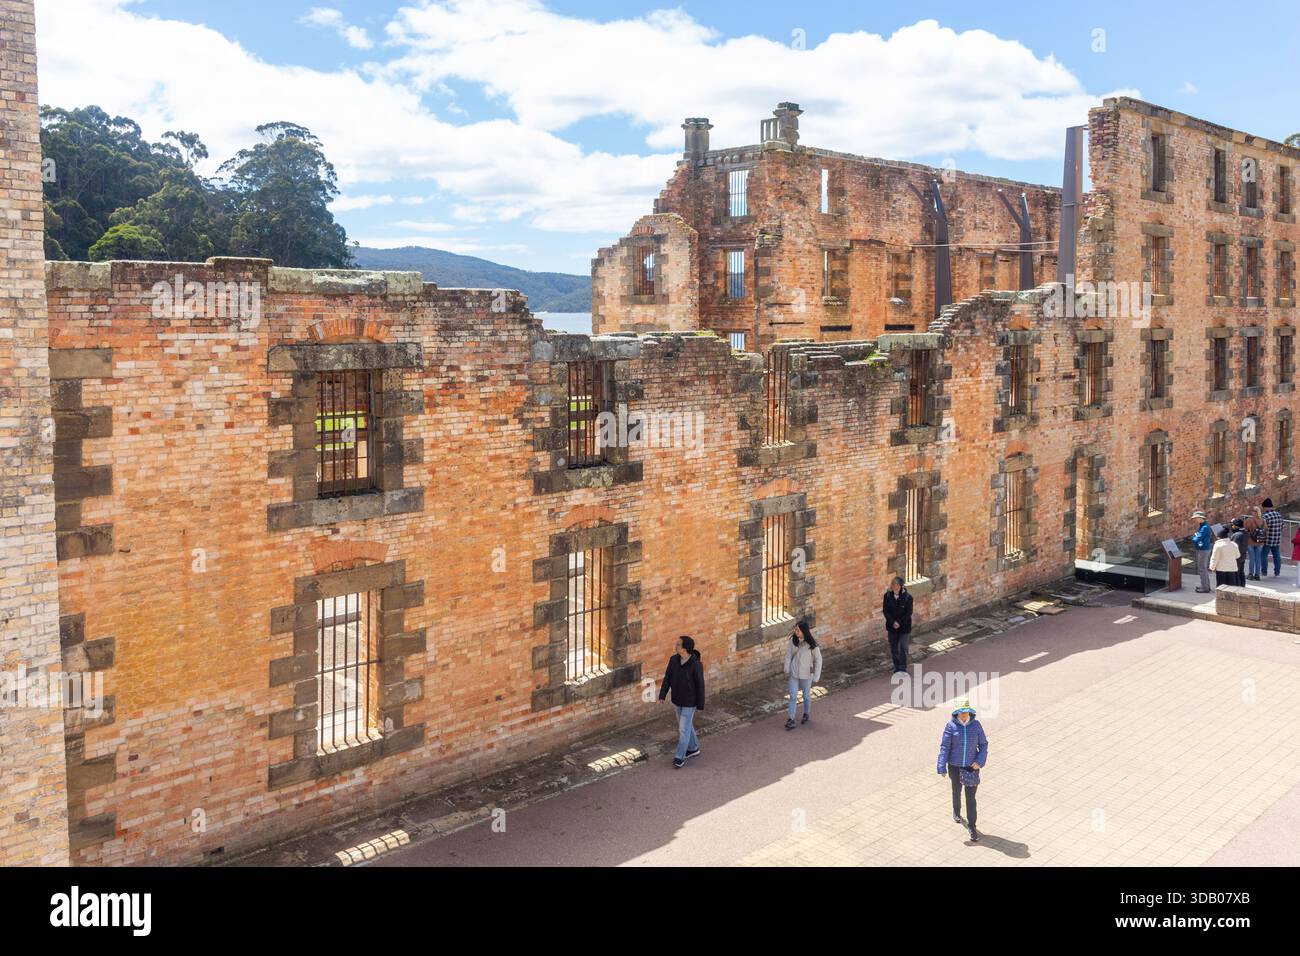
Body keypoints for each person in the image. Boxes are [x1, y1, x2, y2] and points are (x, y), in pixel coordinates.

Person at [936, 699, 988, 842]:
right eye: (961, 712)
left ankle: (972, 827)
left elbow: (983, 744)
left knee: (971, 798)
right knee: (956, 790)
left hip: (971, 767)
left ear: (969, 711)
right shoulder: (950, 726)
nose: (964, 715)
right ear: (956, 713)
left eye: (965, 711)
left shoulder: (976, 726)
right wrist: (941, 766)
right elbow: (945, 747)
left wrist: (980, 761)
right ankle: (956, 811)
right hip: (955, 766)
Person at [658, 635, 705, 768]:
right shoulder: (673, 660)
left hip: (690, 702)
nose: (676, 646)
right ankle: (694, 748)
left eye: (678, 644)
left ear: (685, 648)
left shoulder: (696, 664)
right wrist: (662, 695)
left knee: (683, 729)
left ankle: (680, 757)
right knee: (686, 726)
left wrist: (700, 704)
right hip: (677, 699)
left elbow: (700, 685)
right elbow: (667, 677)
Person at [783, 619, 823, 730]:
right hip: (794, 673)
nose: (796, 632)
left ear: (804, 631)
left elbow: (818, 659)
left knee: (806, 695)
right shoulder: (792, 641)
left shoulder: (812, 645)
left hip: (806, 675)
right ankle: (791, 719)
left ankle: (806, 714)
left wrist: (816, 675)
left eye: (798, 630)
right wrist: (787, 670)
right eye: (795, 629)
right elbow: (788, 656)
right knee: (793, 696)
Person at [882, 576, 913, 674]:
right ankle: (897, 667)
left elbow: (908, 613)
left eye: (893, 583)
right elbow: (885, 611)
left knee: (903, 647)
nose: (891, 585)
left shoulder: (908, 597)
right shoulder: (887, 596)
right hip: (891, 627)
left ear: (899, 586)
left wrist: (899, 622)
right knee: (894, 647)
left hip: (904, 627)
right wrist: (893, 622)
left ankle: (903, 667)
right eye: (891, 583)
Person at [1191, 511, 1214, 593]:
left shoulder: (1204, 527)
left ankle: (1205, 587)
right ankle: (1205, 585)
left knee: (1202, 569)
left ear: (1201, 518)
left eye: (1196, 518)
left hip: (1203, 550)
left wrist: (1193, 538)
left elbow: (1196, 539)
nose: (1195, 520)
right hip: (1203, 548)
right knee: (1203, 568)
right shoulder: (1203, 526)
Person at [1263, 499, 1285, 577]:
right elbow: (1283, 526)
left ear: (1265, 507)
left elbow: (1264, 528)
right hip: (1277, 538)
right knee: (1277, 556)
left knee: (1264, 556)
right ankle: (1277, 572)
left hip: (1268, 539)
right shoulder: (1278, 514)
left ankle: (1264, 572)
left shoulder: (1266, 516)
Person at [1244, 506, 1266, 581]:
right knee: (1258, 559)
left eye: (1252, 511)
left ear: (1255, 512)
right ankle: (1257, 575)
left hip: (1250, 541)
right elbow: (1266, 530)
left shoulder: (1249, 520)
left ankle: (1250, 574)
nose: (1251, 512)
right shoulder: (1263, 521)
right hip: (1260, 542)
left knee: (1252, 559)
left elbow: (1246, 529)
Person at [1230, 518, 1250, 587]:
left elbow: (1233, 547)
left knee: (1236, 573)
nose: (1232, 527)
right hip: (1243, 555)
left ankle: (1237, 587)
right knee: (1241, 572)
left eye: (1233, 526)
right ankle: (1242, 586)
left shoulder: (1237, 535)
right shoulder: (1246, 533)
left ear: (1236, 526)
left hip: (1237, 557)